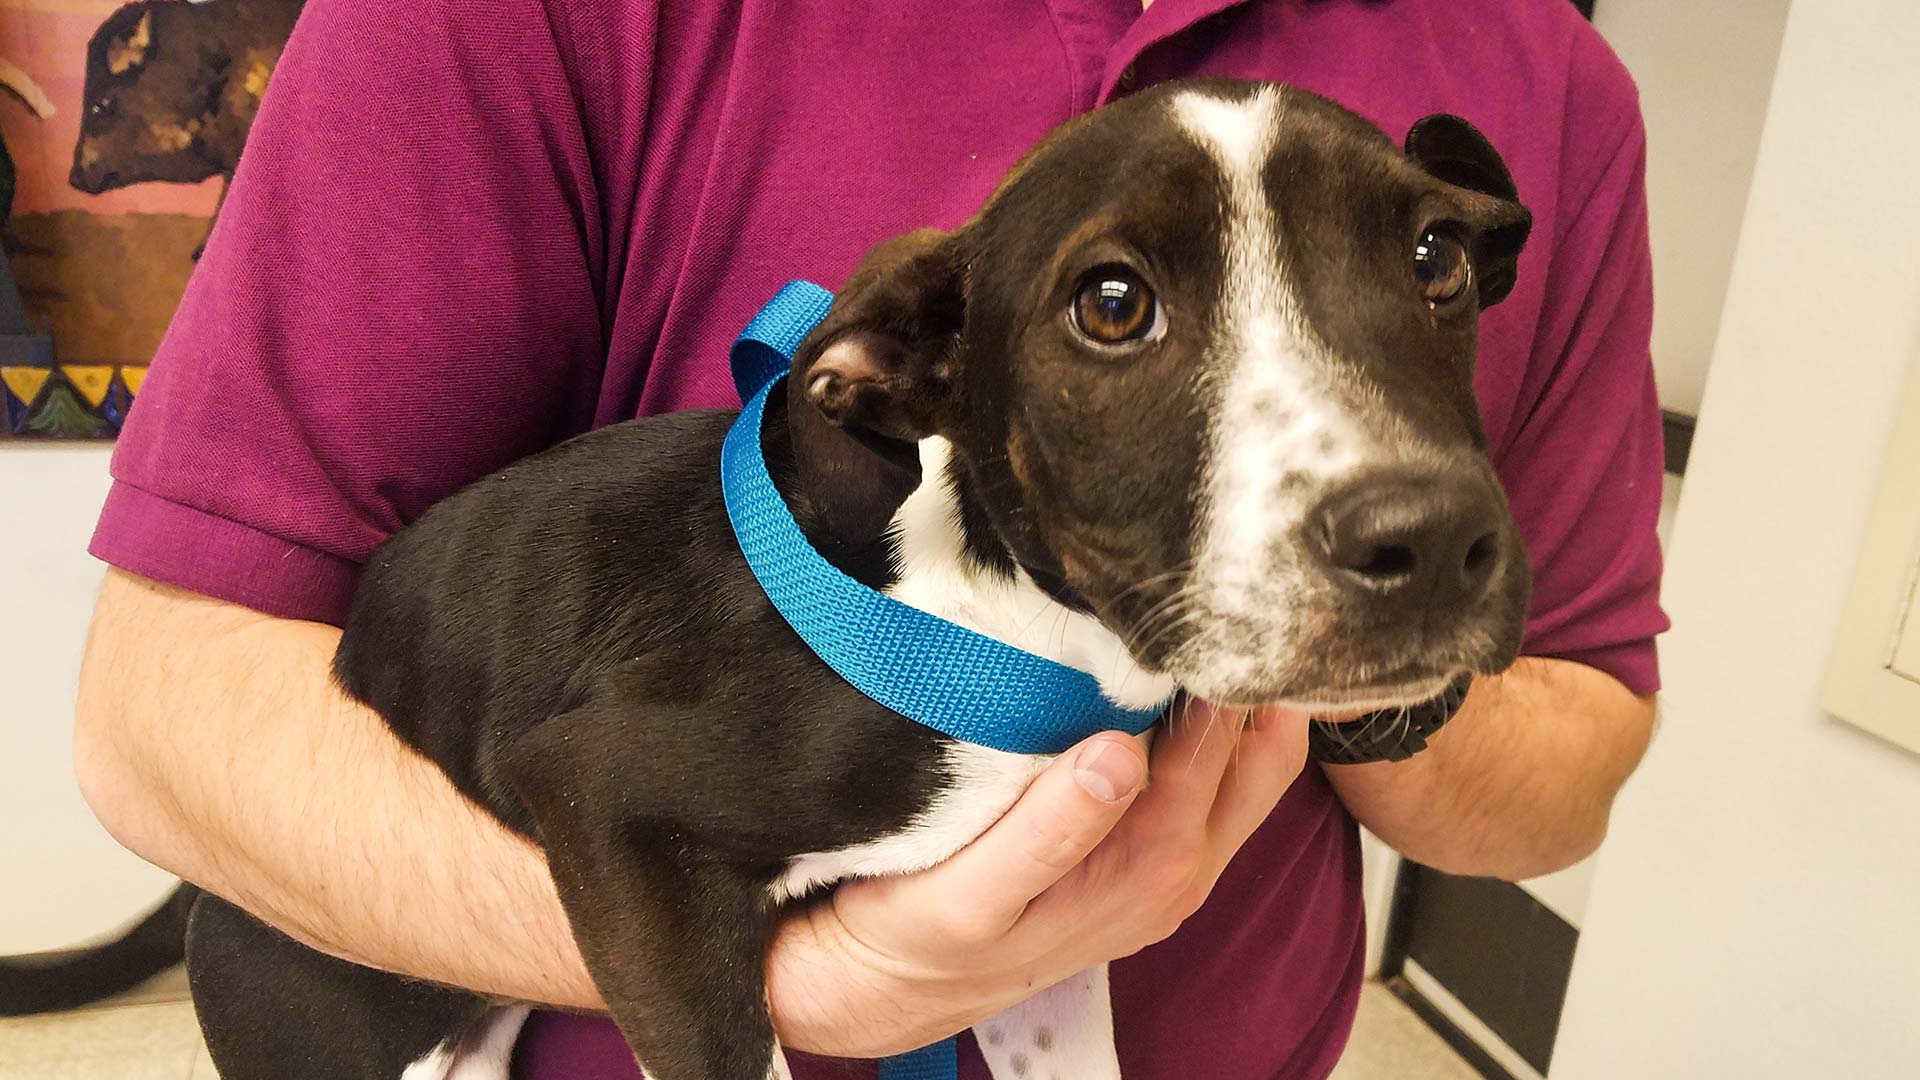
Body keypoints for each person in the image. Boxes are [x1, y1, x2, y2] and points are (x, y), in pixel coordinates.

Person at [71, 0, 1668, 1076]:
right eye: (1116, 305)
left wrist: (1361, 650)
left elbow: (1570, 761)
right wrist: (815, 983)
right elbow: (157, 724)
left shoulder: (1552, 71)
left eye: (1436, 267)